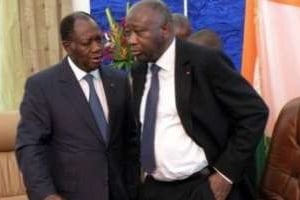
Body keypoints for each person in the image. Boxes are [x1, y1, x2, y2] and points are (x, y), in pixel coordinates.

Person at [125, 1, 268, 200]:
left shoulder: (204, 61)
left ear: (165, 30)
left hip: (200, 187)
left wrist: (225, 175)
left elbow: (254, 112)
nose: (131, 40)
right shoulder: (139, 71)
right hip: (154, 189)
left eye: (139, 32)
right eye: (127, 33)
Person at [16, 11, 140, 200]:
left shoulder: (119, 80)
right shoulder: (42, 86)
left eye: (99, 39)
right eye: (87, 43)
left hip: (119, 193)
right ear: (68, 46)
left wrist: (134, 188)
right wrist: (45, 194)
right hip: (70, 194)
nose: (97, 47)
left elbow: (131, 140)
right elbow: (30, 145)